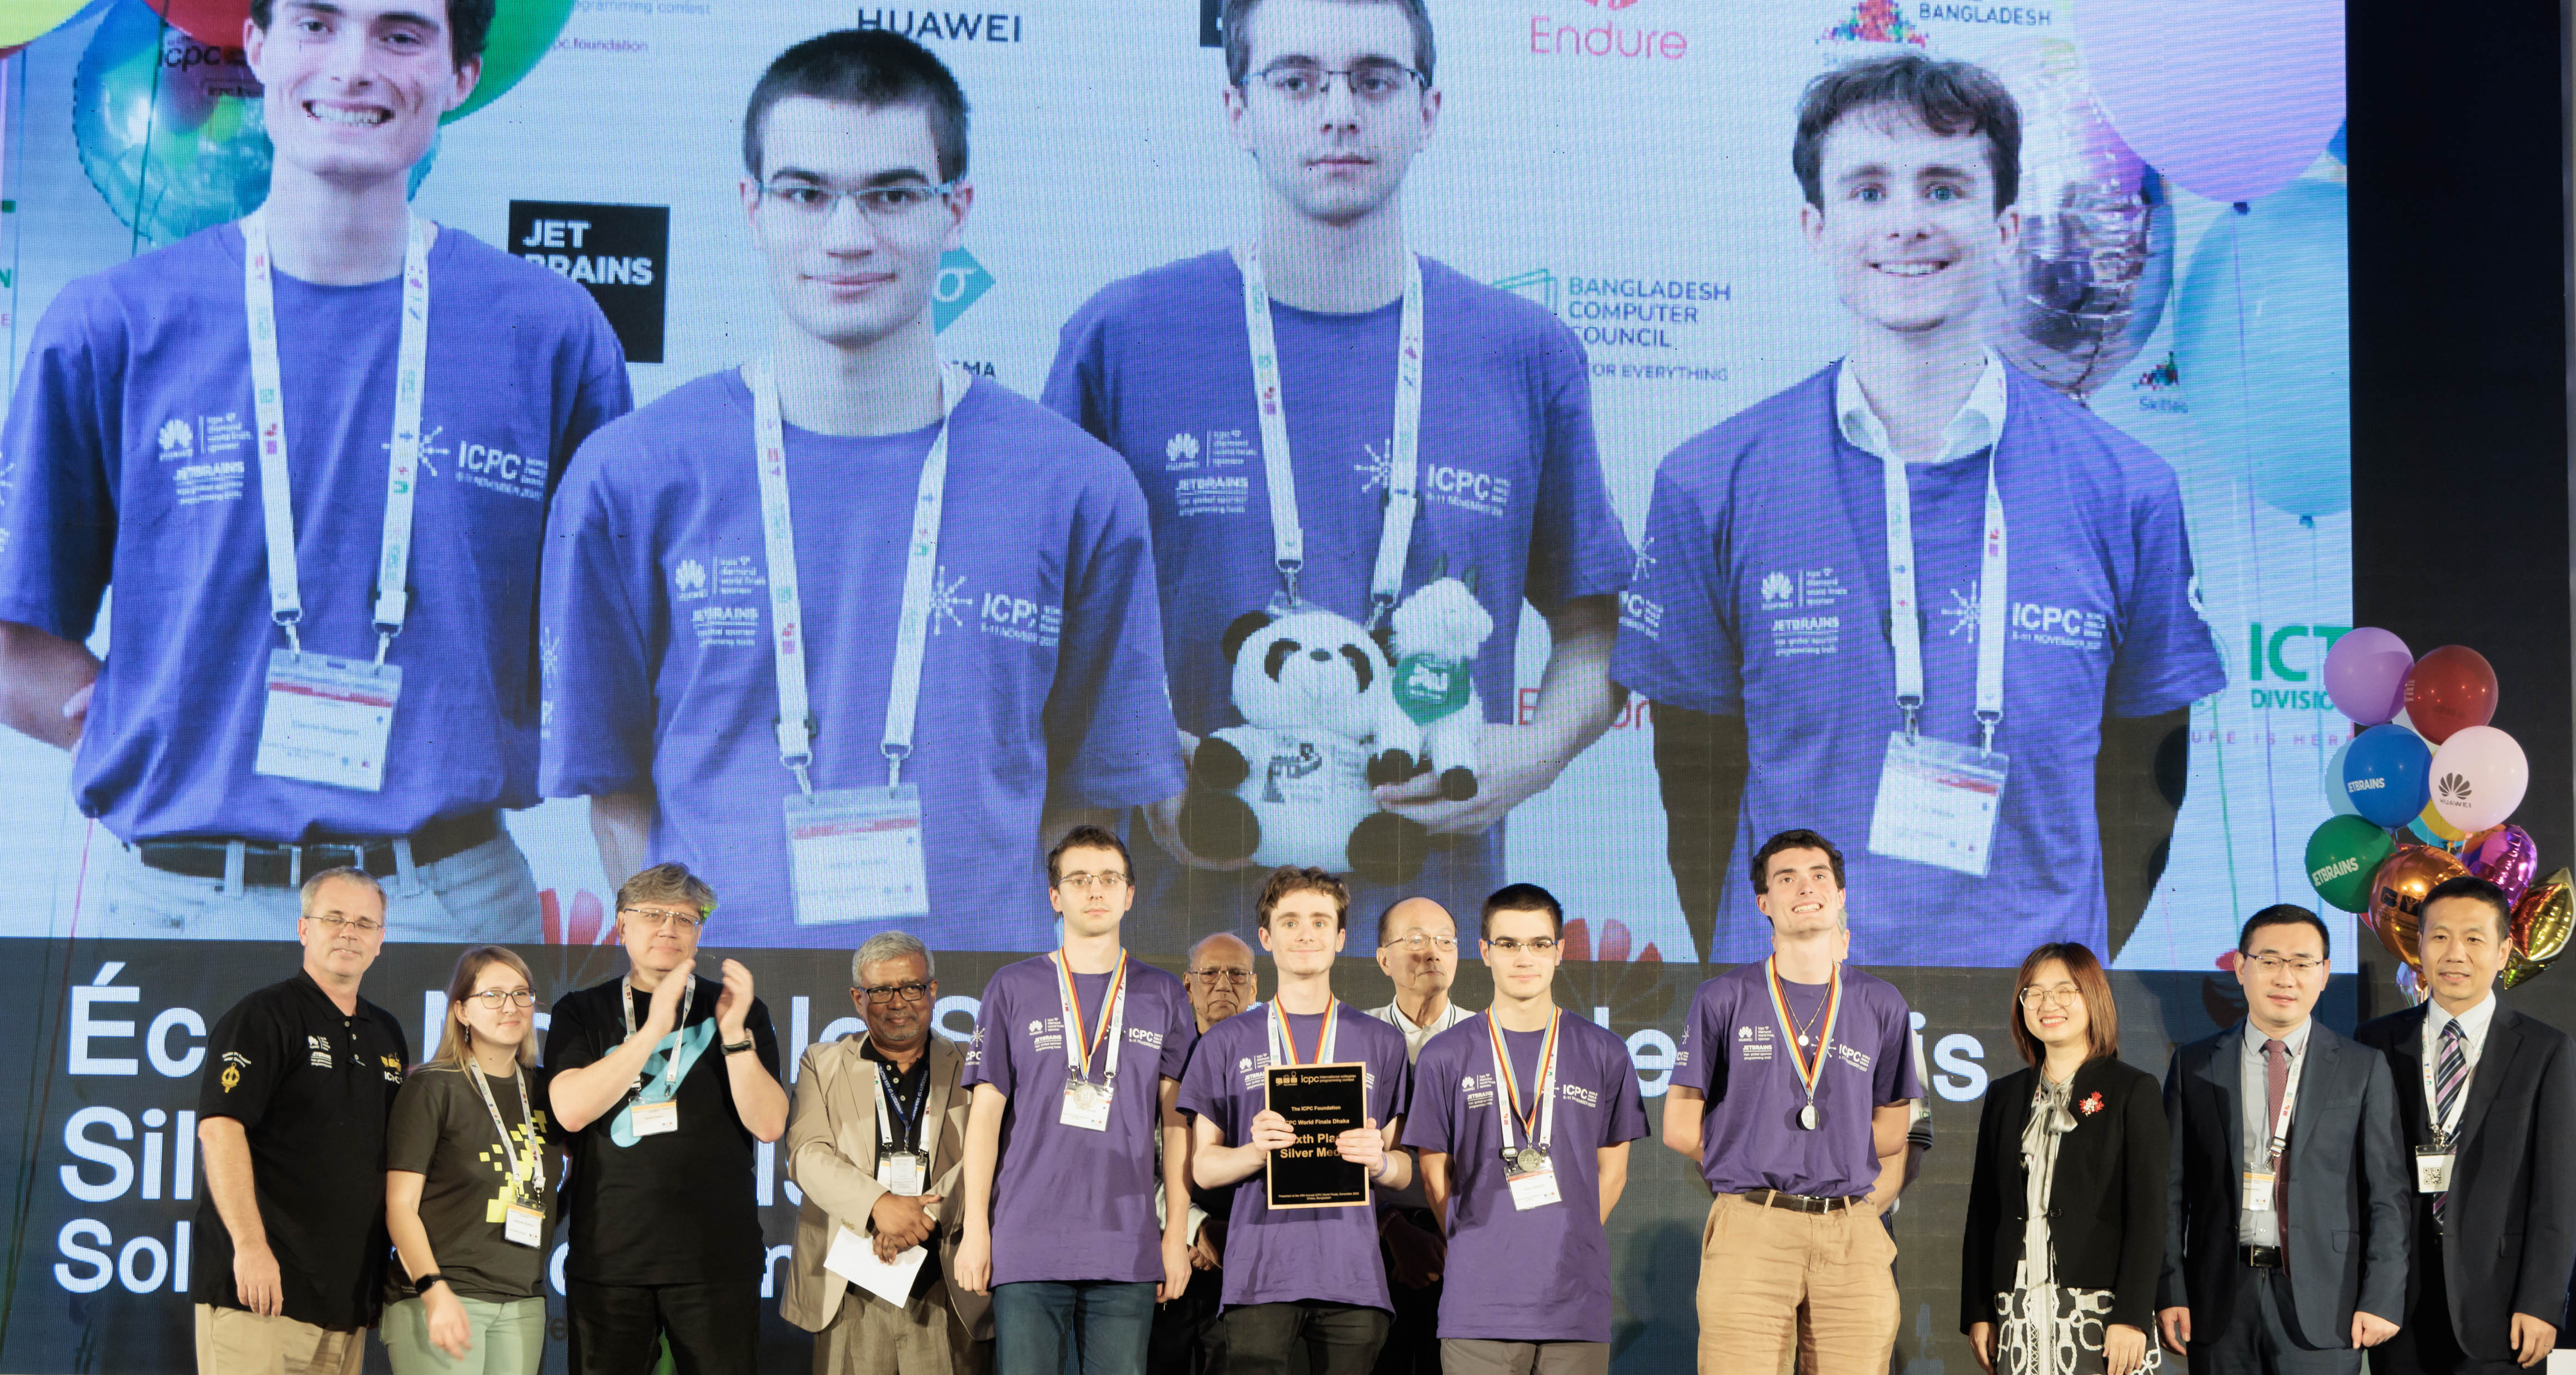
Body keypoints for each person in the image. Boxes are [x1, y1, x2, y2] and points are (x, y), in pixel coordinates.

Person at [0, 0, 631, 940]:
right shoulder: (113, 325)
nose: (352, 66)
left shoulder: (549, 333)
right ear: (257, 50)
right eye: (317, 24)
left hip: (445, 901)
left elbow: (610, 647)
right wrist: (140, 724)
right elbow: (14, 633)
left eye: (402, 34)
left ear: (461, 77)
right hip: (176, 907)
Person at [540, 27, 1178, 950]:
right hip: (730, 1033)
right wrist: (682, 987)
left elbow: (1089, 804)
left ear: (955, 210)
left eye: (891, 195)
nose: (846, 237)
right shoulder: (630, 475)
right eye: (806, 193)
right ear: (752, 206)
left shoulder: (1076, 487)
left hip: (977, 1043)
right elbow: (617, 788)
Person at [1612, 51, 2225, 969]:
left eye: (1944, 189)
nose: (1906, 224)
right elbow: (1695, 785)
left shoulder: (2126, 489)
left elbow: (2147, 781)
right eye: (1868, 191)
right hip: (1794, 1028)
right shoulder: (1714, 479)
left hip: (2035, 1032)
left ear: (2007, 226)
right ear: (1815, 227)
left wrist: (2059, 975)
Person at [1043, 0, 1632, 951]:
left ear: (1427, 108)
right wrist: (1138, 752)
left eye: (1373, 79)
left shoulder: (1522, 354)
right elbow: (1046, 628)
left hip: (1424, 938)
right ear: (1238, 108)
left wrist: (1531, 752)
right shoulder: (1122, 340)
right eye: (1297, 81)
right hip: (1180, 937)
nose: (1339, 112)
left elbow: (1597, 627)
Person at [1660, 829, 1921, 1372]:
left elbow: (1894, 1129)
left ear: (1840, 894)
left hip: (1850, 1226)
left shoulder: (1881, 1003)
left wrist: (1831, 1155)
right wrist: (1756, 1155)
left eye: (1818, 875)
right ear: (1764, 902)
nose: (1804, 886)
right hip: (1752, 1221)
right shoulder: (1722, 996)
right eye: (1786, 878)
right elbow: (1680, 1127)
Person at [954, 825, 1198, 1374]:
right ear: (1054, 896)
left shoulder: (1160, 993)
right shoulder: (1011, 987)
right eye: (1079, 879)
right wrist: (976, 1228)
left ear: (1130, 894)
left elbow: (1177, 1122)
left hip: (1126, 1243)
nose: (1095, 891)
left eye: (1109, 878)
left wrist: (1176, 1232)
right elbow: (985, 1119)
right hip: (1026, 1241)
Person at [542, 862, 787, 1375]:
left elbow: (768, 1125)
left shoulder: (741, 1009)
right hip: (611, 1256)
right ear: (621, 924)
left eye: (685, 918)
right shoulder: (581, 1011)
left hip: (716, 1260)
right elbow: (568, 1109)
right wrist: (652, 1029)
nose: (669, 928)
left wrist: (736, 1033)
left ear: (700, 931)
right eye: (652, 914)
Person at [1180, 867, 1414, 1375]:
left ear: (1340, 937)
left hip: (1353, 1279)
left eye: (1319, 921)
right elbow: (1203, 1168)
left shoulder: (1382, 1042)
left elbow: (1404, 1169)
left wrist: (1379, 1163)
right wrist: (1252, 1152)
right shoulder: (1226, 1042)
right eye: (1290, 922)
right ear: (1266, 938)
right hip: (1260, 1277)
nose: (1306, 933)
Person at [2158, 905, 2407, 1373]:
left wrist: (2383, 1294)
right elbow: (2168, 1192)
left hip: (2327, 1304)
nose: (2285, 977)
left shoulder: (2361, 1067)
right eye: (2269, 960)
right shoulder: (2193, 1066)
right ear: (2240, 967)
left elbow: (2387, 1194)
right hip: (2219, 1303)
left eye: (2302, 963)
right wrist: (2171, 1290)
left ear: (2325, 973)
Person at [1411, 884, 1647, 1375]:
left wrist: (1568, 1234)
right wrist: (1483, 1243)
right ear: (1485, 952)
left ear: (1560, 952)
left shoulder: (1605, 1052)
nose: (1525, 958)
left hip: (1575, 1303)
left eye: (1540, 944)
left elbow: (1614, 1172)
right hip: (1477, 1306)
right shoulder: (1445, 1054)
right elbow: (1435, 1175)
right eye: (1509, 944)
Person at [193, 867, 411, 1375]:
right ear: (303, 929)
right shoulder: (264, 1017)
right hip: (261, 1292)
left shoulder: (387, 1033)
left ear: (381, 940)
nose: (349, 933)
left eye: (364, 923)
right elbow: (220, 1129)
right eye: (333, 918)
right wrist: (249, 1248)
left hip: (345, 1304)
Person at [2357, 877, 2576, 1374]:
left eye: (2474, 939)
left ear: (2503, 952)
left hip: (2501, 1305)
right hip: (2399, 1301)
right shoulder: (2374, 1043)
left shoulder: (2544, 1050)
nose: (2455, 953)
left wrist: (2542, 1301)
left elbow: (2557, 1192)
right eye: (2440, 937)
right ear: (2419, 947)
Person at [783, 930, 991, 1375]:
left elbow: (988, 1153)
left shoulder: (973, 1064)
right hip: (851, 1284)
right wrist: (880, 1206)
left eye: (912, 987)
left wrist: (921, 1218)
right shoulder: (821, 1063)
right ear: (858, 999)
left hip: (945, 1282)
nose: (898, 1002)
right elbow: (807, 1156)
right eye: (881, 991)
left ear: (933, 991)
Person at [1960, 943, 2166, 1375]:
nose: (2047, 1004)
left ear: (2094, 997)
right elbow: (1984, 1211)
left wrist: (2131, 1314)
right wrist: (1979, 1310)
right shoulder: (2005, 1095)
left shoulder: (2132, 1090)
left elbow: (2149, 1214)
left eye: (2064, 991)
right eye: (2033, 993)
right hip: (2017, 1308)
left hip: (2100, 1310)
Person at [381, 946, 551, 1375]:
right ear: (461, 1010)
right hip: (444, 1293)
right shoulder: (433, 1086)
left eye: (521, 994)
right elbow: (400, 1208)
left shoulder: (546, 1090)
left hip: (522, 1299)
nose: (510, 1007)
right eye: (492, 995)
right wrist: (433, 1291)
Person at [1365, 896, 1472, 1375]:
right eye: (1415, 940)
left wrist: (1457, 1236)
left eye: (1444, 941)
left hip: (1464, 1246)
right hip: (1369, 1241)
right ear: (1383, 957)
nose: (1432, 952)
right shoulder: (1352, 1034)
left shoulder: (1487, 1038)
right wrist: (1389, 1225)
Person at [1152, 933, 1257, 1375]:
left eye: (1236, 974)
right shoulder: (1158, 1064)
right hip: (1162, 1248)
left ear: (1255, 987)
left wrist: (1228, 1234)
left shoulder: (1279, 1061)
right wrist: (1194, 1229)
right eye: (1210, 973)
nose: (1223, 985)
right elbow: (1135, 1161)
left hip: (1249, 1249)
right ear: (1187, 985)